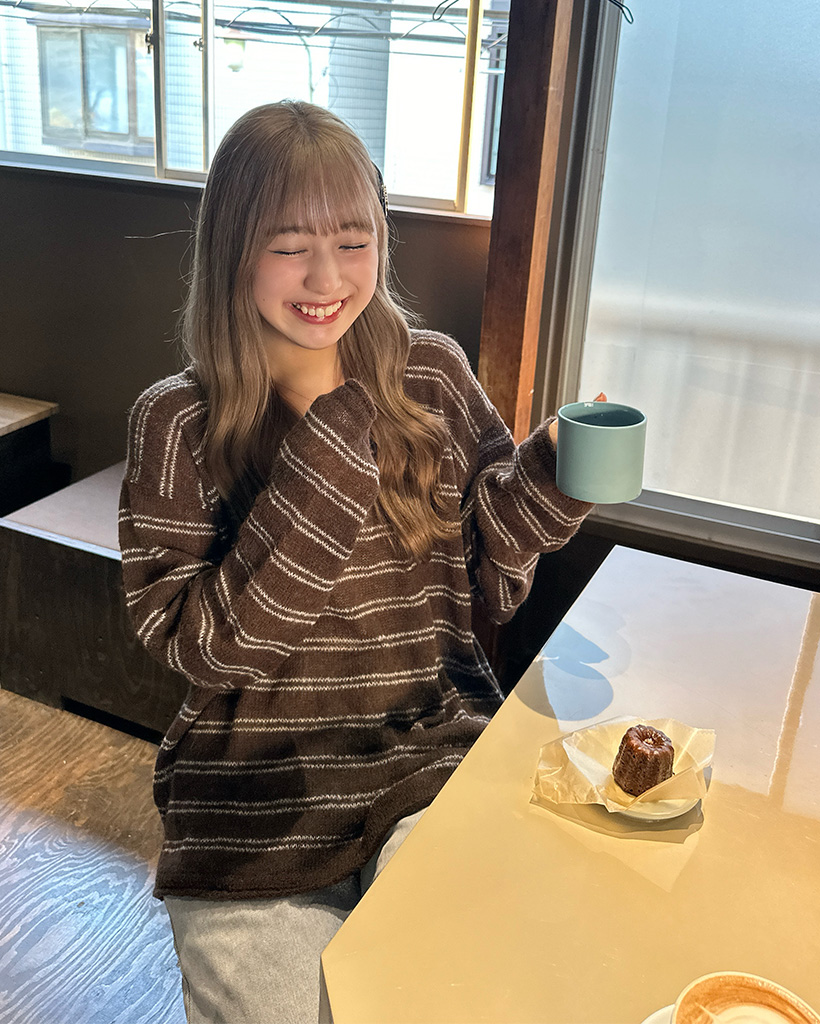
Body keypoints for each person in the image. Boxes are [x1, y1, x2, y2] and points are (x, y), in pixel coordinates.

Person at [119, 100, 598, 1024]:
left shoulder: (432, 374)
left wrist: (550, 474)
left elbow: (488, 562)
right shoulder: (174, 423)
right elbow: (205, 650)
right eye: (289, 245)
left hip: (427, 749)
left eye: (354, 241)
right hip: (254, 800)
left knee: (459, 997)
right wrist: (329, 452)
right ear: (232, 249)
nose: (328, 277)